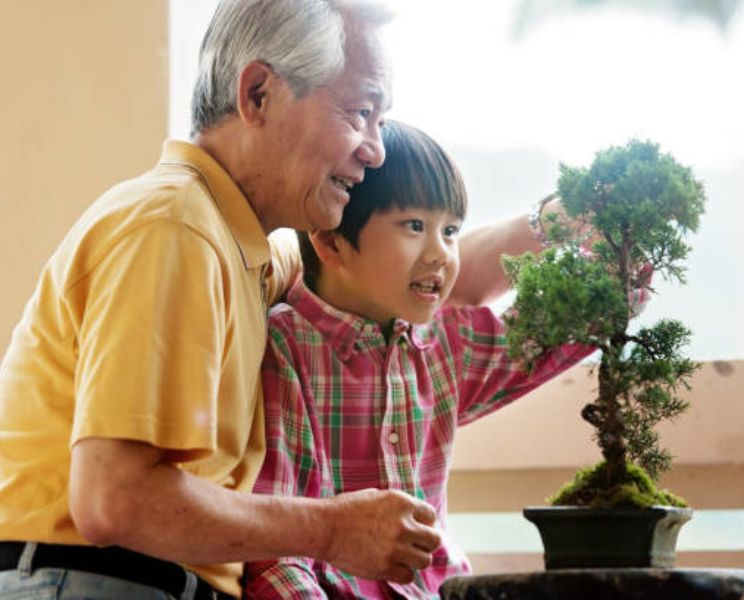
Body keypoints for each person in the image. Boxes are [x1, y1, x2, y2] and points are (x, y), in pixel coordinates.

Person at [0, 1, 539, 598]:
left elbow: (423, 280)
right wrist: (332, 530)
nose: (375, 149)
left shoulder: (249, 248)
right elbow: (115, 501)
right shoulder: (174, 230)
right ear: (257, 95)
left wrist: (561, 223)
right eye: (361, 112)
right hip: (90, 582)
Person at [244, 120, 602, 599]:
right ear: (331, 242)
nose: (440, 253)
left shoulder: (443, 343)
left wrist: (613, 251)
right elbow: (277, 549)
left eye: (451, 230)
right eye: (415, 226)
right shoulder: (288, 346)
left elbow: (545, 335)